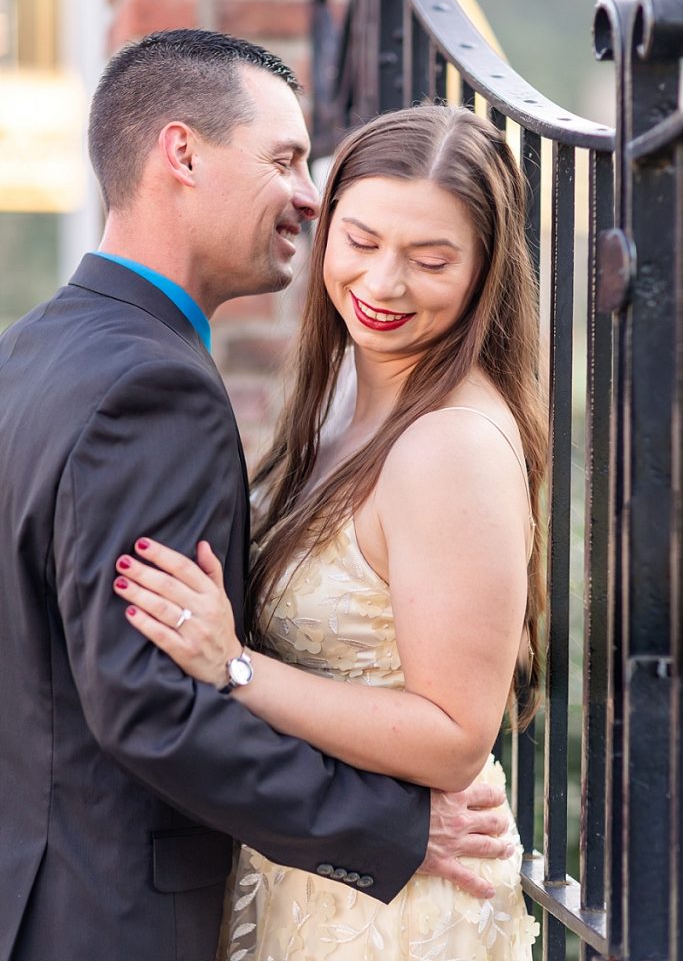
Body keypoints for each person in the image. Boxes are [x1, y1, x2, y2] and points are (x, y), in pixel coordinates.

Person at [0, 32, 512, 961]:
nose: (308, 196)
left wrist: (235, 664)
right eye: (285, 158)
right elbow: (149, 706)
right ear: (183, 153)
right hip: (106, 914)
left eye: (430, 257)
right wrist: (389, 831)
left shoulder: (26, 349)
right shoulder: (153, 390)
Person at [112, 104, 546, 959]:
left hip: (400, 911)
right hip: (319, 871)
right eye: (361, 241)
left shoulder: (450, 446)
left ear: (483, 273)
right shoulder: (347, 384)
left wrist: (231, 665)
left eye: (430, 260)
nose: (383, 285)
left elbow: (455, 739)